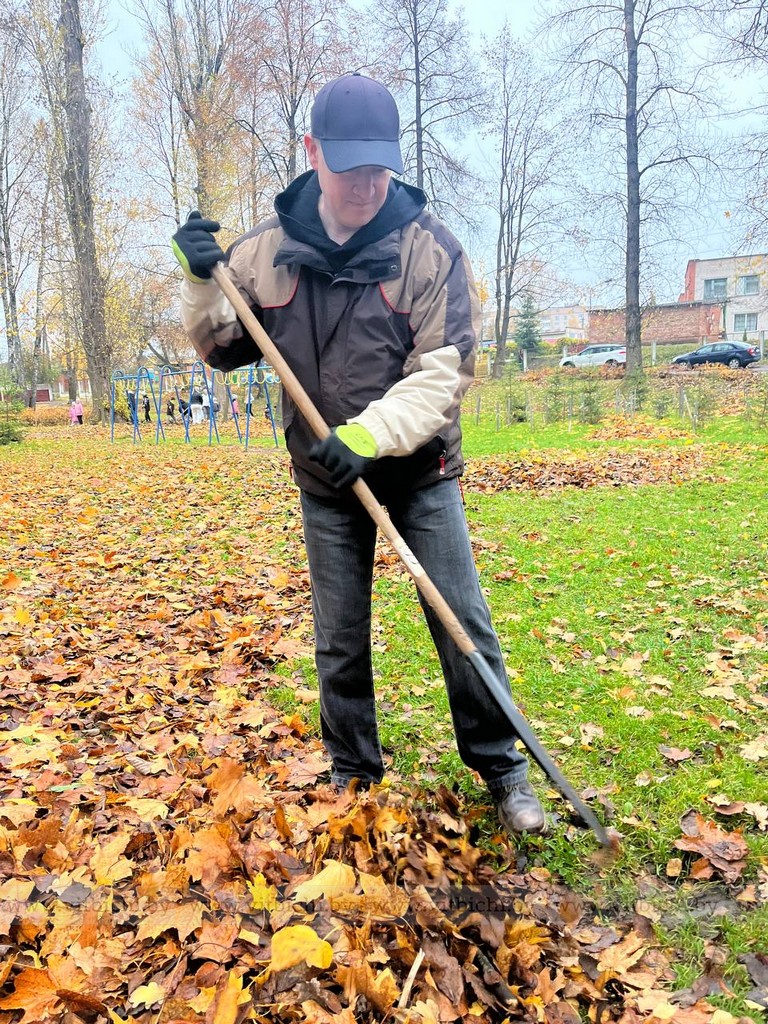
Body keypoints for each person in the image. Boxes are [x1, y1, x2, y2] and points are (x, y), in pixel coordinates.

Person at [171, 73, 545, 835]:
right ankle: (354, 774)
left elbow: (444, 373)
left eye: (381, 167)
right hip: (324, 481)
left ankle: (503, 770)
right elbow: (219, 348)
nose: (369, 185)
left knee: (461, 622)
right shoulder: (264, 255)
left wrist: (368, 435)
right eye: (351, 168)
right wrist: (200, 282)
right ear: (312, 153)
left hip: (417, 472)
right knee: (339, 637)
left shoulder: (429, 250)